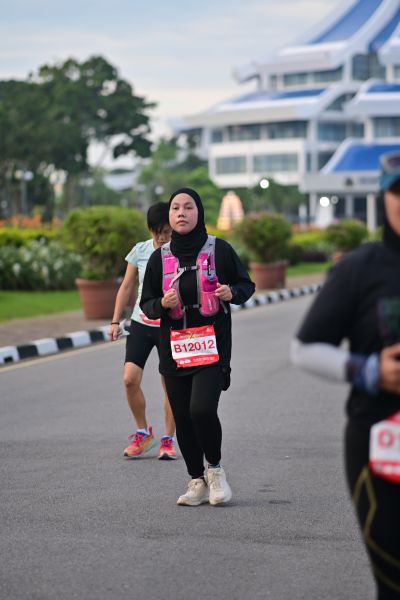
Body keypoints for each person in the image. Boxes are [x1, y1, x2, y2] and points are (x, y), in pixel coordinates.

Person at [290, 151, 400, 599]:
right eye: (399, 192)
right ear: (384, 197)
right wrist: (368, 370)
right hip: (383, 453)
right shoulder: (361, 268)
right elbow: (304, 349)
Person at [140, 188, 255, 506]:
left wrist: (232, 292)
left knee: (201, 410)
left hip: (211, 347)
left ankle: (215, 471)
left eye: (188, 207)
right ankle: (196, 481)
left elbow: (246, 285)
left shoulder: (219, 249)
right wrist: (162, 304)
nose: (181, 213)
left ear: (199, 212)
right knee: (182, 417)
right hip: (174, 350)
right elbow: (146, 303)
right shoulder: (159, 258)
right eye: (175, 208)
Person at [108, 202, 177, 460]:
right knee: (129, 379)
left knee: (170, 385)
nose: (162, 237)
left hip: (169, 325)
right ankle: (143, 433)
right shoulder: (140, 250)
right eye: (157, 232)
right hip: (141, 322)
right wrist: (115, 321)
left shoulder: (179, 252)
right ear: (150, 229)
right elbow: (126, 286)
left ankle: (168, 439)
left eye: (167, 232)